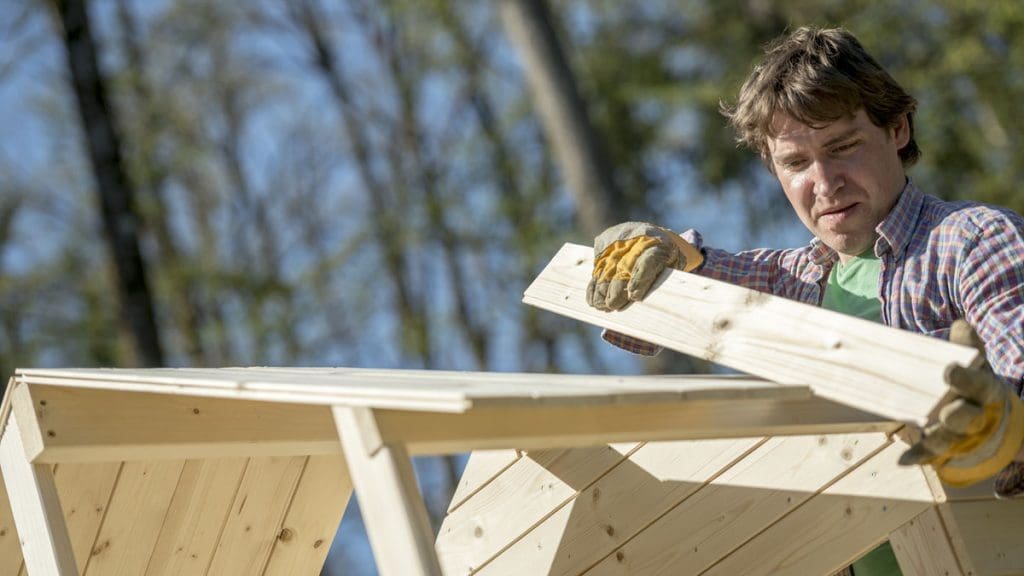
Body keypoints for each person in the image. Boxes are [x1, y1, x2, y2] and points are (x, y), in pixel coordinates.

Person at [586, 26, 1024, 576]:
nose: (825, 182)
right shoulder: (793, 284)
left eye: (843, 147)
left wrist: (1007, 424)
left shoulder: (971, 242)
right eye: (796, 163)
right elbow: (691, 288)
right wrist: (666, 253)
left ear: (897, 128)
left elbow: (1018, 373)